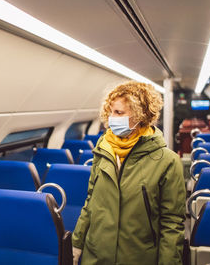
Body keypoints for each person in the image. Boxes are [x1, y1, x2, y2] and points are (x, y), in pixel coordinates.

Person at [72, 81, 186, 265]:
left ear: (140, 115)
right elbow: (91, 201)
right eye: (110, 112)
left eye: (118, 112)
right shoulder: (103, 150)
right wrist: (77, 243)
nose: (111, 118)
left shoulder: (168, 162)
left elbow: (171, 224)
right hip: (95, 255)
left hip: (138, 257)